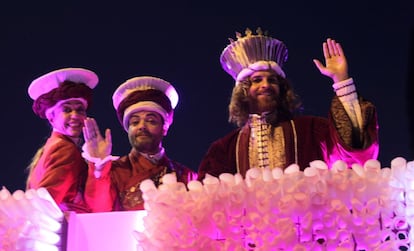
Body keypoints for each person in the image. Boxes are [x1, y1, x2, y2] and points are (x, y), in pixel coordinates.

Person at [198, 28, 379, 180]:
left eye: (272, 80)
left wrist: (341, 80)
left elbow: (355, 152)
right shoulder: (223, 150)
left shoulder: (311, 131)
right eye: (257, 80)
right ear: (243, 91)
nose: (266, 85)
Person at [82, 76, 197, 212]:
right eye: (135, 122)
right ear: (128, 129)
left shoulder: (185, 175)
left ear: (164, 127)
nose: (142, 126)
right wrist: (99, 166)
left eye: (151, 121)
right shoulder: (115, 170)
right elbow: (98, 212)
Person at [26, 67, 99, 213]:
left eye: (80, 110)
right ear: (51, 116)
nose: (75, 115)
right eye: (66, 110)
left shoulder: (51, 146)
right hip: (68, 230)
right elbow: (47, 201)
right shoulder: (65, 149)